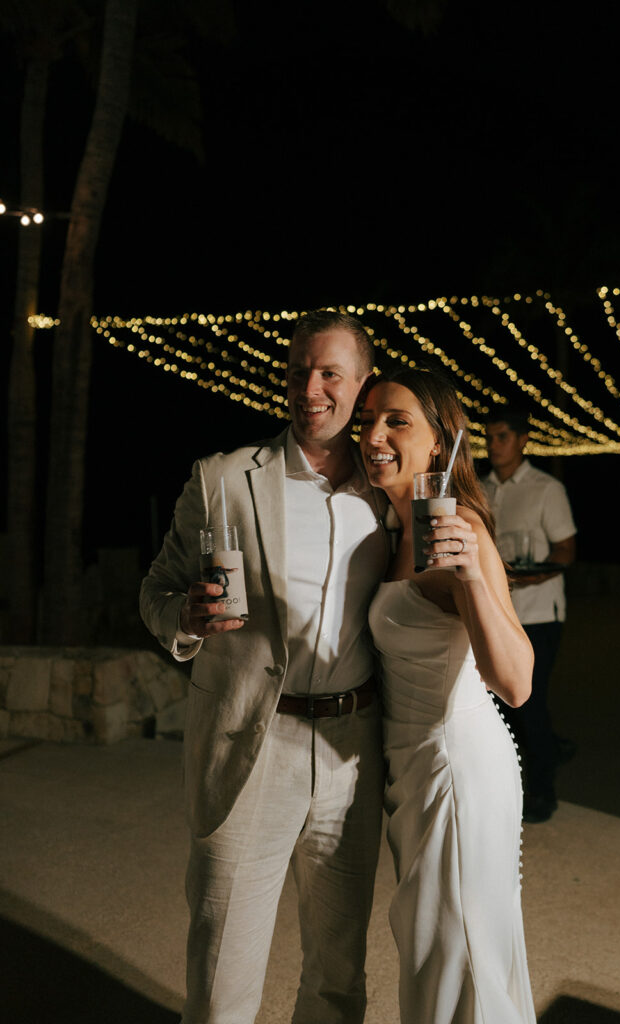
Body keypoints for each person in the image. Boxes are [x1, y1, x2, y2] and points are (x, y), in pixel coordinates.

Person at [140, 310, 389, 1024]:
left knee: (338, 977)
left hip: (352, 752)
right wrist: (184, 619)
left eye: (329, 373)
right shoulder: (222, 478)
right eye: (297, 372)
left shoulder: (389, 491)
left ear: (361, 385)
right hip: (250, 743)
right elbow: (155, 589)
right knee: (221, 975)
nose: (310, 389)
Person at [358, 368, 536, 1024]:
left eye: (396, 420)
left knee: (456, 959)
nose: (373, 434)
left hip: (455, 770)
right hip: (409, 771)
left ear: (440, 444)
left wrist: (469, 579)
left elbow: (514, 682)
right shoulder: (389, 527)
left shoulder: (458, 526)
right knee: (432, 950)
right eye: (368, 420)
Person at [482, 410, 577, 824]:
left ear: (523, 440)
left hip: (538, 613)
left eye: (502, 436)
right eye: (489, 437)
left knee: (529, 702)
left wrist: (526, 573)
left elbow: (565, 552)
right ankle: (533, 763)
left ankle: (542, 791)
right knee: (497, 703)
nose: (493, 444)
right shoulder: (480, 487)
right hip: (494, 614)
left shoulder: (545, 488)